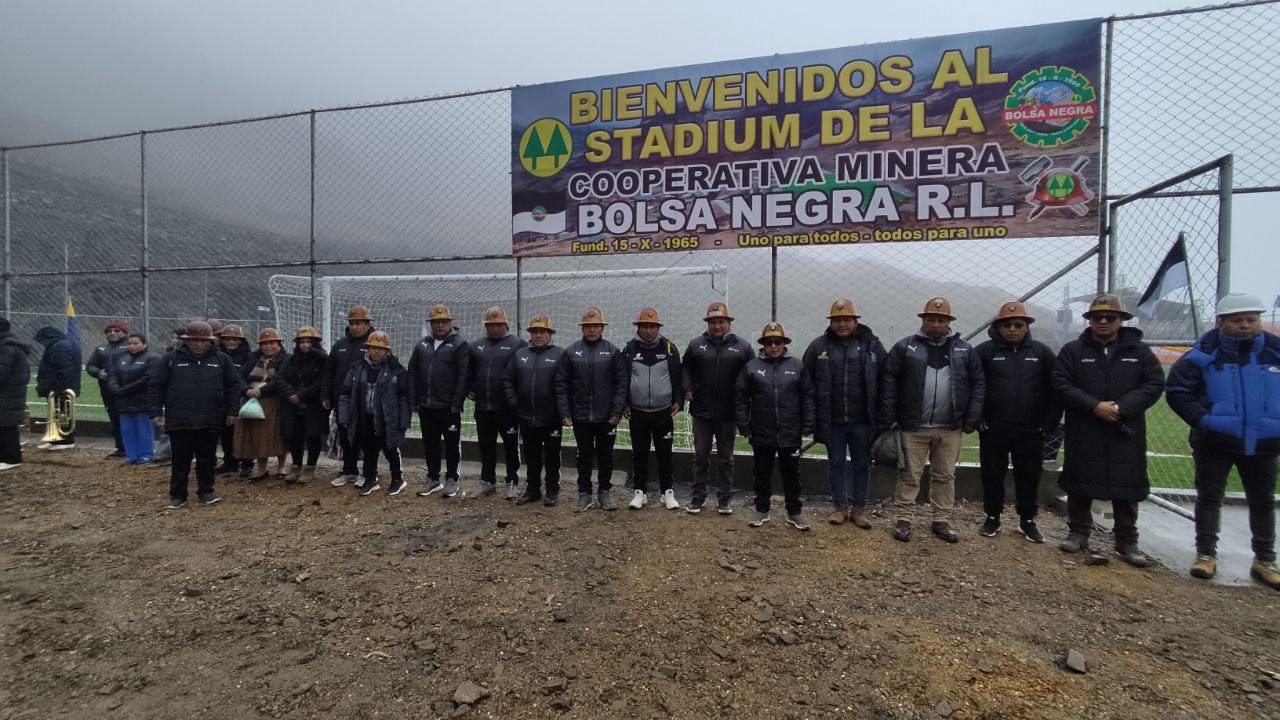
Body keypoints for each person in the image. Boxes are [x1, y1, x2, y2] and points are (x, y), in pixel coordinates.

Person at [1166, 293, 1280, 588]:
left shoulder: (1276, 351)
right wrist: (1205, 421)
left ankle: (1265, 559)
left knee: (1263, 501)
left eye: (1251, 319)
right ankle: (1206, 554)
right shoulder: (1203, 353)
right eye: (1237, 320)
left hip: (1265, 442)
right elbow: (1178, 391)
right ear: (1221, 322)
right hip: (1214, 442)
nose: (1245, 325)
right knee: (1209, 498)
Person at [1053, 294, 1164, 567]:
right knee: (1080, 481)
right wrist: (1094, 406)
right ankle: (1078, 532)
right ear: (1089, 320)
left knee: (1126, 484)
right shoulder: (1073, 351)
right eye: (1096, 317)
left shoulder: (1139, 351)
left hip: (1124, 428)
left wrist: (1121, 408)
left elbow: (1153, 384)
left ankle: (1127, 540)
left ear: (1121, 321)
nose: (1103, 321)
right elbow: (1060, 383)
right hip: (1085, 427)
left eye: (1110, 317)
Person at [882, 297, 985, 544]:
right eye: (931, 319)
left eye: (941, 319)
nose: (936, 324)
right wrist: (890, 418)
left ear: (949, 321)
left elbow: (978, 384)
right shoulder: (905, 347)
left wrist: (971, 418)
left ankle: (941, 521)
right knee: (909, 474)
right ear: (923, 320)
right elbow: (889, 382)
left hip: (950, 427)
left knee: (945, 475)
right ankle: (904, 520)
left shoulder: (964, 349)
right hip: (912, 426)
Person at [974, 302, 1060, 543]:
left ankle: (1027, 521)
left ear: (1026, 327)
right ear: (998, 327)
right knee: (992, 475)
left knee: (1029, 476)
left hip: (1031, 430)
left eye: (1018, 325)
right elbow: (972, 387)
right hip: (993, 429)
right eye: (1007, 325)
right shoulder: (984, 352)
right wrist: (978, 419)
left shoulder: (1042, 353)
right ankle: (992, 517)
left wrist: (1048, 424)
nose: (1012, 329)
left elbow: (1056, 391)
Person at [801, 299, 886, 529]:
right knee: (836, 463)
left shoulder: (872, 347)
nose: (841, 324)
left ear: (856, 321)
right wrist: (811, 419)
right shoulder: (818, 347)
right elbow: (806, 385)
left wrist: (882, 416)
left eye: (846, 320)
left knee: (861, 463)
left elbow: (884, 380)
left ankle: (859, 509)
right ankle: (840, 508)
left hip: (863, 421)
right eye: (837, 320)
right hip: (832, 421)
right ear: (830, 322)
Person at [148, 321, 240, 509]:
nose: (198, 344)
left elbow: (232, 386)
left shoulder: (221, 360)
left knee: (207, 458)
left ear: (210, 341)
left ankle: (206, 492)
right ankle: (178, 495)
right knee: (180, 459)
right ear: (186, 340)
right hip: (180, 418)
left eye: (203, 340)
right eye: (194, 340)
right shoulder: (170, 359)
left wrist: (232, 411)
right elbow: (156, 386)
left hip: (210, 418)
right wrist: (155, 412)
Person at [737, 322, 815, 530]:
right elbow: (741, 397)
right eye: (769, 342)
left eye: (777, 342)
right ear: (763, 345)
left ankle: (794, 512)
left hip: (790, 432)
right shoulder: (751, 367)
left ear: (784, 344)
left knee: (792, 475)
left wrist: (808, 423)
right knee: (761, 473)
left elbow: (807, 396)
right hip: (761, 431)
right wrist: (744, 424)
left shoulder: (797, 366)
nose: (773, 346)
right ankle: (762, 509)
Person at [682, 301, 753, 515]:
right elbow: (685, 368)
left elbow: (753, 373)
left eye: (721, 321)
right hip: (701, 412)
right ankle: (698, 498)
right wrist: (687, 388)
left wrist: (745, 399)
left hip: (728, 413)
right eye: (713, 322)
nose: (717, 326)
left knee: (726, 458)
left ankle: (724, 499)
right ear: (708, 323)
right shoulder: (696, 345)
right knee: (700, 456)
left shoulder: (742, 346)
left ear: (728, 322)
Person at [556, 307, 627, 512]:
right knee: (583, 455)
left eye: (595, 326)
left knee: (606, 455)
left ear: (602, 327)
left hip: (607, 417)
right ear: (582, 328)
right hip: (580, 416)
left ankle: (604, 492)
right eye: (588, 326)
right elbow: (562, 384)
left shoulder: (612, 351)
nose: (592, 329)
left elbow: (621, 383)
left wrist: (617, 411)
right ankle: (584, 493)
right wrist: (565, 412)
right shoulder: (571, 352)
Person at [623, 307, 684, 511]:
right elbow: (623, 380)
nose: (648, 330)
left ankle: (667, 492)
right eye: (644, 326)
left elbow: (677, 377)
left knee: (664, 454)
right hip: (638, 412)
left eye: (652, 326)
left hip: (663, 412)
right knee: (639, 454)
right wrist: (623, 404)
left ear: (658, 328)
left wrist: (679, 400)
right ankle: (640, 492)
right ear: (638, 328)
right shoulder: (630, 350)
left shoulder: (669, 349)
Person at [339, 331, 411, 496]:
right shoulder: (357, 369)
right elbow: (345, 394)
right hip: (365, 418)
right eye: (373, 347)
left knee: (391, 449)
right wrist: (344, 417)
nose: (377, 351)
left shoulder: (397, 370)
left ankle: (398, 479)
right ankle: (370, 479)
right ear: (368, 348)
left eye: (381, 348)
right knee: (368, 449)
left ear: (387, 350)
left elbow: (403, 398)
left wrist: (404, 421)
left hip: (388, 419)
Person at [504, 314, 565, 506]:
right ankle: (532, 490)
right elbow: (507, 379)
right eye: (535, 332)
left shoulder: (559, 354)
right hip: (526, 416)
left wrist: (560, 409)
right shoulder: (520, 354)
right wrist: (515, 402)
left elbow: (566, 384)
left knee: (552, 457)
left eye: (542, 332)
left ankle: (552, 491)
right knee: (532, 457)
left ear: (549, 334)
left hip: (551, 417)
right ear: (530, 334)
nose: (538, 335)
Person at [409, 304, 470, 498]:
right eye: (436, 322)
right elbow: (412, 373)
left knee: (452, 445)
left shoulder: (459, 344)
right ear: (431, 324)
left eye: (444, 321)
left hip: (448, 407)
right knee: (430, 444)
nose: (440, 325)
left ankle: (452, 478)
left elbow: (464, 375)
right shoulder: (422, 345)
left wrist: (457, 402)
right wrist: (413, 400)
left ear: (450, 323)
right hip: (426, 406)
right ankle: (432, 478)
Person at [468, 306, 527, 498]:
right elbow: (469, 372)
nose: (494, 328)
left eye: (498, 324)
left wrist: (517, 400)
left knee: (511, 446)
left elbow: (524, 372)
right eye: (490, 325)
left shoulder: (518, 344)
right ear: (485, 325)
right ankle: (487, 481)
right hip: (483, 407)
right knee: (486, 446)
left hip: (507, 409)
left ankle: (512, 481)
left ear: (506, 324)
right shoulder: (476, 346)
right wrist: (470, 389)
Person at [323, 306, 375, 487]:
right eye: (352, 323)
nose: (354, 327)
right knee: (345, 436)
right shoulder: (340, 345)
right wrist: (326, 395)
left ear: (368, 324)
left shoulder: (374, 344)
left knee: (366, 438)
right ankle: (349, 470)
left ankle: (369, 473)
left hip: (364, 402)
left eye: (358, 323)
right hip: (342, 401)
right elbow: (329, 372)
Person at [234, 328, 290, 481]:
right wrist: (246, 390)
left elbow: (280, 379)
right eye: (264, 344)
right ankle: (262, 467)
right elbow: (239, 376)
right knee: (256, 435)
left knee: (276, 435)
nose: (268, 346)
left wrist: (262, 391)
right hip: (251, 401)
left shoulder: (285, 359)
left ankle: (281, 466)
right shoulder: (253, 358)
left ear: (278, 344)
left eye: (272, 343)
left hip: (274, 402)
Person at [280, 327, 329, 483]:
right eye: (302, 342)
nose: (305, 345)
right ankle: (296, 466)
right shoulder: (290, 359)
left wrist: (301, 395)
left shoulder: (322, 359)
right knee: (295, 437)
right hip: (292, 405)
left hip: (313, 405)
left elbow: (322, 381)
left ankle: (310, 468)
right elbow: (280, 379)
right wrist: (291, 394)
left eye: (309, 342)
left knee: (313, 436)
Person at [107, 333, 160, 464]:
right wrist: (115, 389)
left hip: (142, 400)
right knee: (127, 430)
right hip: (123, 401)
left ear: (144, 344)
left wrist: (125, 390)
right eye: (130, 343)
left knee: (143, 429)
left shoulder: (151, 358)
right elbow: (112, 375)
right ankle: (131, 455)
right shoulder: (121, 358)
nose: (132, 346)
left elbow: (147, 379)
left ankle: (146, 454)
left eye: (136, 343)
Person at [85, 319, 129, 458]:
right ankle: (120, 448)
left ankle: (132, 447)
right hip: (107, 390)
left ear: (124, 332)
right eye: (109, 331)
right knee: (114, 419)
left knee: (127, 418)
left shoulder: (130, 346)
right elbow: (90, 365)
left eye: (117, 330)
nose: (113, 333)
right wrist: (99, 372)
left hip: (126, 390)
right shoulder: (101, 349)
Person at [33, 325, 81, 451]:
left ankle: (66, 440)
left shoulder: (60, 346)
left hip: (60, 386)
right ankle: (55, 439)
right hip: (56, 385)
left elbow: (63, 367)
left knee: (63, 413)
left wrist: (60, 386)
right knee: (56, 413)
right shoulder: (58, 345)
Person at [217, 324, 252, 476]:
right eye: (227, 339)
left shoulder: (248, 356)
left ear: (240, 341)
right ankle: (230, 462)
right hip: (221, 398)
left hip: (241, 397)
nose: (231, 342)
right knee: (225, 432)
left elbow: (249, 377)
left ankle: (247, 463)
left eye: (234, 339)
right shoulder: (216, 354)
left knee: (243, 432)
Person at [0, 317, 31, 471]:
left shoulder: (7, 347)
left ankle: (11, 458)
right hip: (9, 394)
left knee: (6, 426)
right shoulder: (8, 345)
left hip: (7, 395)